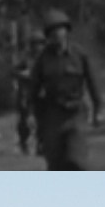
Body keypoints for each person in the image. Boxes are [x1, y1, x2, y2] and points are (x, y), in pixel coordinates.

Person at [29, 9, 101, 171]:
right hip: (53, 115)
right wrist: (37, 120)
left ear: (67, 31)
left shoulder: (80, 55)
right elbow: (34, 92)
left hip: (75, 113)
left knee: (77, 162)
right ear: (48, 36)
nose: (57, 35)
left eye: (60, 30)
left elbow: (92, 82)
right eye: (52, 32)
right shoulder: (42, 60)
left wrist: (97, 109)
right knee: (56, 165)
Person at [14, 30, 46, 156]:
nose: (38, 47)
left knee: (43, 121)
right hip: (26, 93)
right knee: (24, 121)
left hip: (42, 92)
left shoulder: (46, 57)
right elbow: (14, 71)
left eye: (40, 43)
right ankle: (23, 143)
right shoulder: (26, 58)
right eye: (36, 44)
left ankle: (41, 145)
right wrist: (24, 74)